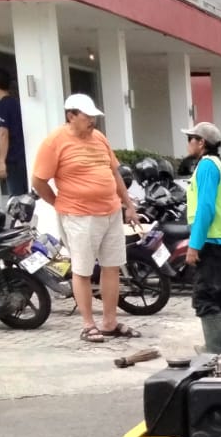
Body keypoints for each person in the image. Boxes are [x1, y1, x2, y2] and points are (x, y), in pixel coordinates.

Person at [31, 94, 141, 344]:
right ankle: (88, 324)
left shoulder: (99, 138)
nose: (92, 121)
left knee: (112, 266)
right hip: (79, 214)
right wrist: (57, 203)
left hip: (110, 211)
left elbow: (114, 173)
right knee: (82, 269)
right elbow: (38, 181)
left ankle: (109, 322)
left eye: (94, 116)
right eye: (87, 116)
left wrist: (128, 205)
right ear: (71, 115)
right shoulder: (54, 142)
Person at [181, 121, 221, 352]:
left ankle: (215, 352)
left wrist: (194, 245)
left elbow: (205, 208)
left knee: (205, 297)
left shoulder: (206, 166)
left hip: (212, 242)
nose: (188, 143)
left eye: (191, 139)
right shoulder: (217, 164)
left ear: (201, 143)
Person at [0, 69, 26, 198]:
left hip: (13, 157)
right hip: (23, 155)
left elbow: (3, 133)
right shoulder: (16, 103)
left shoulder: (1, 105)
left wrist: (1, 161)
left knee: (15, 199)